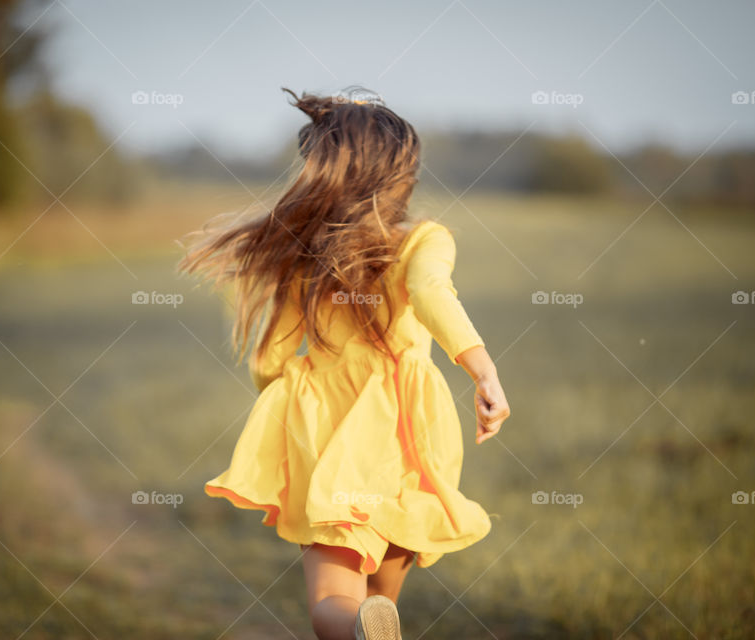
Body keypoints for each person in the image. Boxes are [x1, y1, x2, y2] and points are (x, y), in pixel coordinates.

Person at [177, 86, 511, 640]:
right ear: (402, 177)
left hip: (331, 439)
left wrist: (282, 411)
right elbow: (431, 292)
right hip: (409, 433)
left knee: (336, 599)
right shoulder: (425, 239)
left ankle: (357, 626)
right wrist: (483, 370)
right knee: (383, 596)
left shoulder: (302, 252)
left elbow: (274, 356)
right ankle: (372, 623)